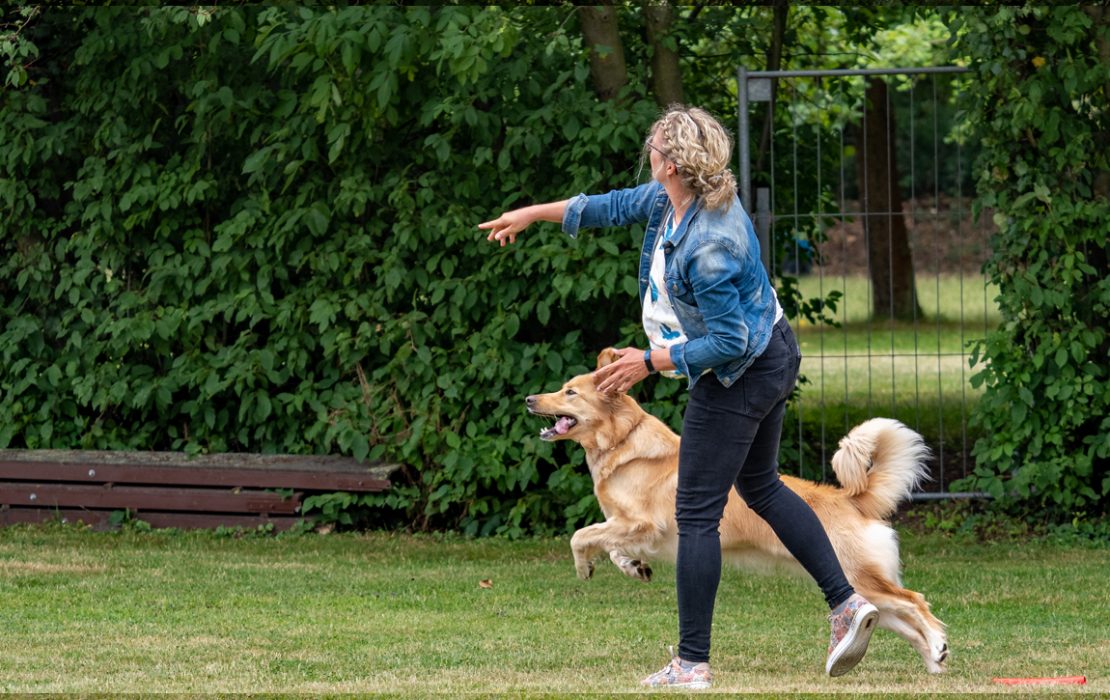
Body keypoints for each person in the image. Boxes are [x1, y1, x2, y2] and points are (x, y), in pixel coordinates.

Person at [479, 105, 878, 689]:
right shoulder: (670, 200)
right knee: (760, 485)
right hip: (768, 353)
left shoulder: (710, 240)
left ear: (671, 161)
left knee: (693, 514)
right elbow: (607, 206)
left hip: (743, 370)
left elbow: (727, 340)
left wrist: (648, 361)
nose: (649, 149)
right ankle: (845, 604)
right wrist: (533, 214)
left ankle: (692, 663)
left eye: (655, 143)